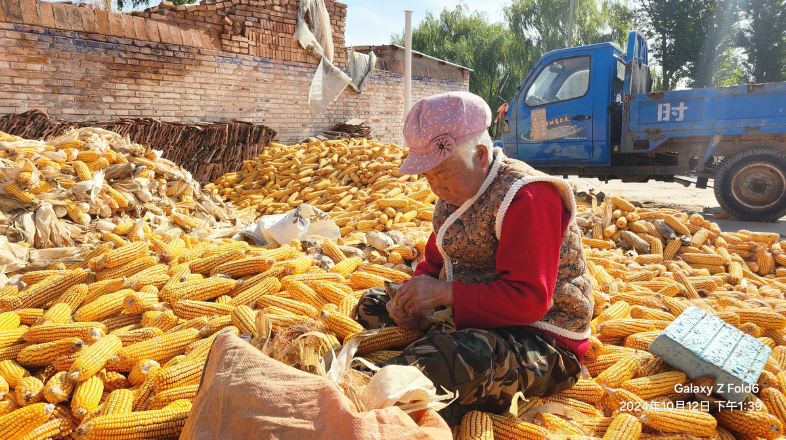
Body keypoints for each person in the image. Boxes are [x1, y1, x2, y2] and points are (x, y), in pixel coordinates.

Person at [355, 91, 594, 416]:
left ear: (481, 155)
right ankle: (423, 367)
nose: (436, 188)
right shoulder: (454, 196)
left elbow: (529, 300)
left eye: (445, 174)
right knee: (373, 304)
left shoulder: (527, 197)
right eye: (428, 177)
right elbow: (436, 261)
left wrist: (444, 293)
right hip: (477, 316)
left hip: (540, 337)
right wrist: (413, 303)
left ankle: (362, 387)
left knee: (455, 359)